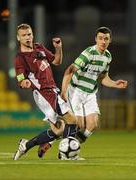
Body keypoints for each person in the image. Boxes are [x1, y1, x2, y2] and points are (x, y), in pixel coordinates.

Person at [13, 23, 77, 160]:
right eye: (23, 35)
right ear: (18, 38)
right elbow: (20, 77)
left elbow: (56, 61)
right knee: (72, 120)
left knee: (59, 129)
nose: (27, 37)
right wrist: (23, 82)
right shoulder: (20, 58)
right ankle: (65, 155)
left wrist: (59, 48)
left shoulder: (38, 47)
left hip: (52, 89)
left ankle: (26, 145)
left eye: (29, 34)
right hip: (44, 93)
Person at [61, 26, 128, 143]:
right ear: (95, 39)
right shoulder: (89, 54)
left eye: (106, 39)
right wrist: (64, 91)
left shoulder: (107, 56)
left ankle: (71, 148)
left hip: (90, 93)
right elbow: (69, 70)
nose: (103, 41)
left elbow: (103, 77)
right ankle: (55, 138)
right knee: (79, 124)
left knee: (92, 124)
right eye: (100, 38)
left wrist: (114, 84)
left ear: (110, 40)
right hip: (76, 90)